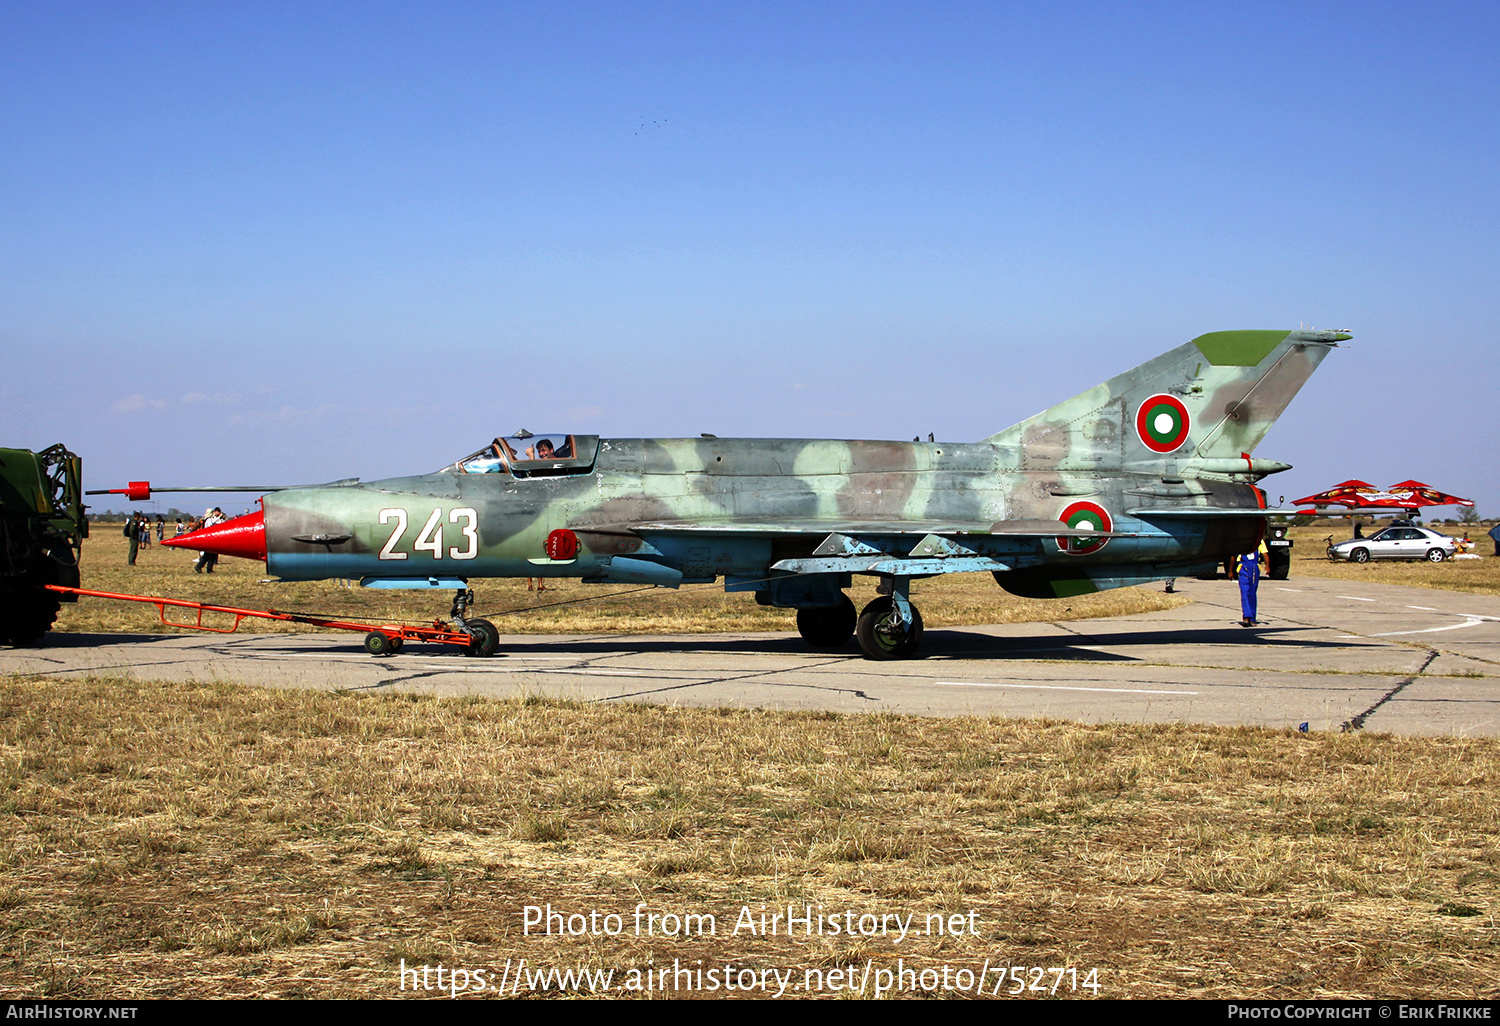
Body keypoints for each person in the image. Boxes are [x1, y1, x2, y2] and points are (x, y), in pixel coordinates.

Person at [1238, 539, 1269, 627]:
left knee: (1252, 593)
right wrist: (1230, 570)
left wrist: (1267, 565)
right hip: (1243, 566)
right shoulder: (1240, 541)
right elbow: (1234, 556)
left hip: (1255, 567)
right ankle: (1247, 616)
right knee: (1245, 592)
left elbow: (1265, 553)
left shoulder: (1259, 540)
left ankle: (1252, 617)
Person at [195, 507, 226, 574]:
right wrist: (219, 518)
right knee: (211, 554)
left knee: (207, 555)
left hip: (209, 538)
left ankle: (200, 567)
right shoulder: (209, 520)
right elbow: (210, 527)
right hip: (209, 538)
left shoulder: (207, 519)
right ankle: (208, 569)